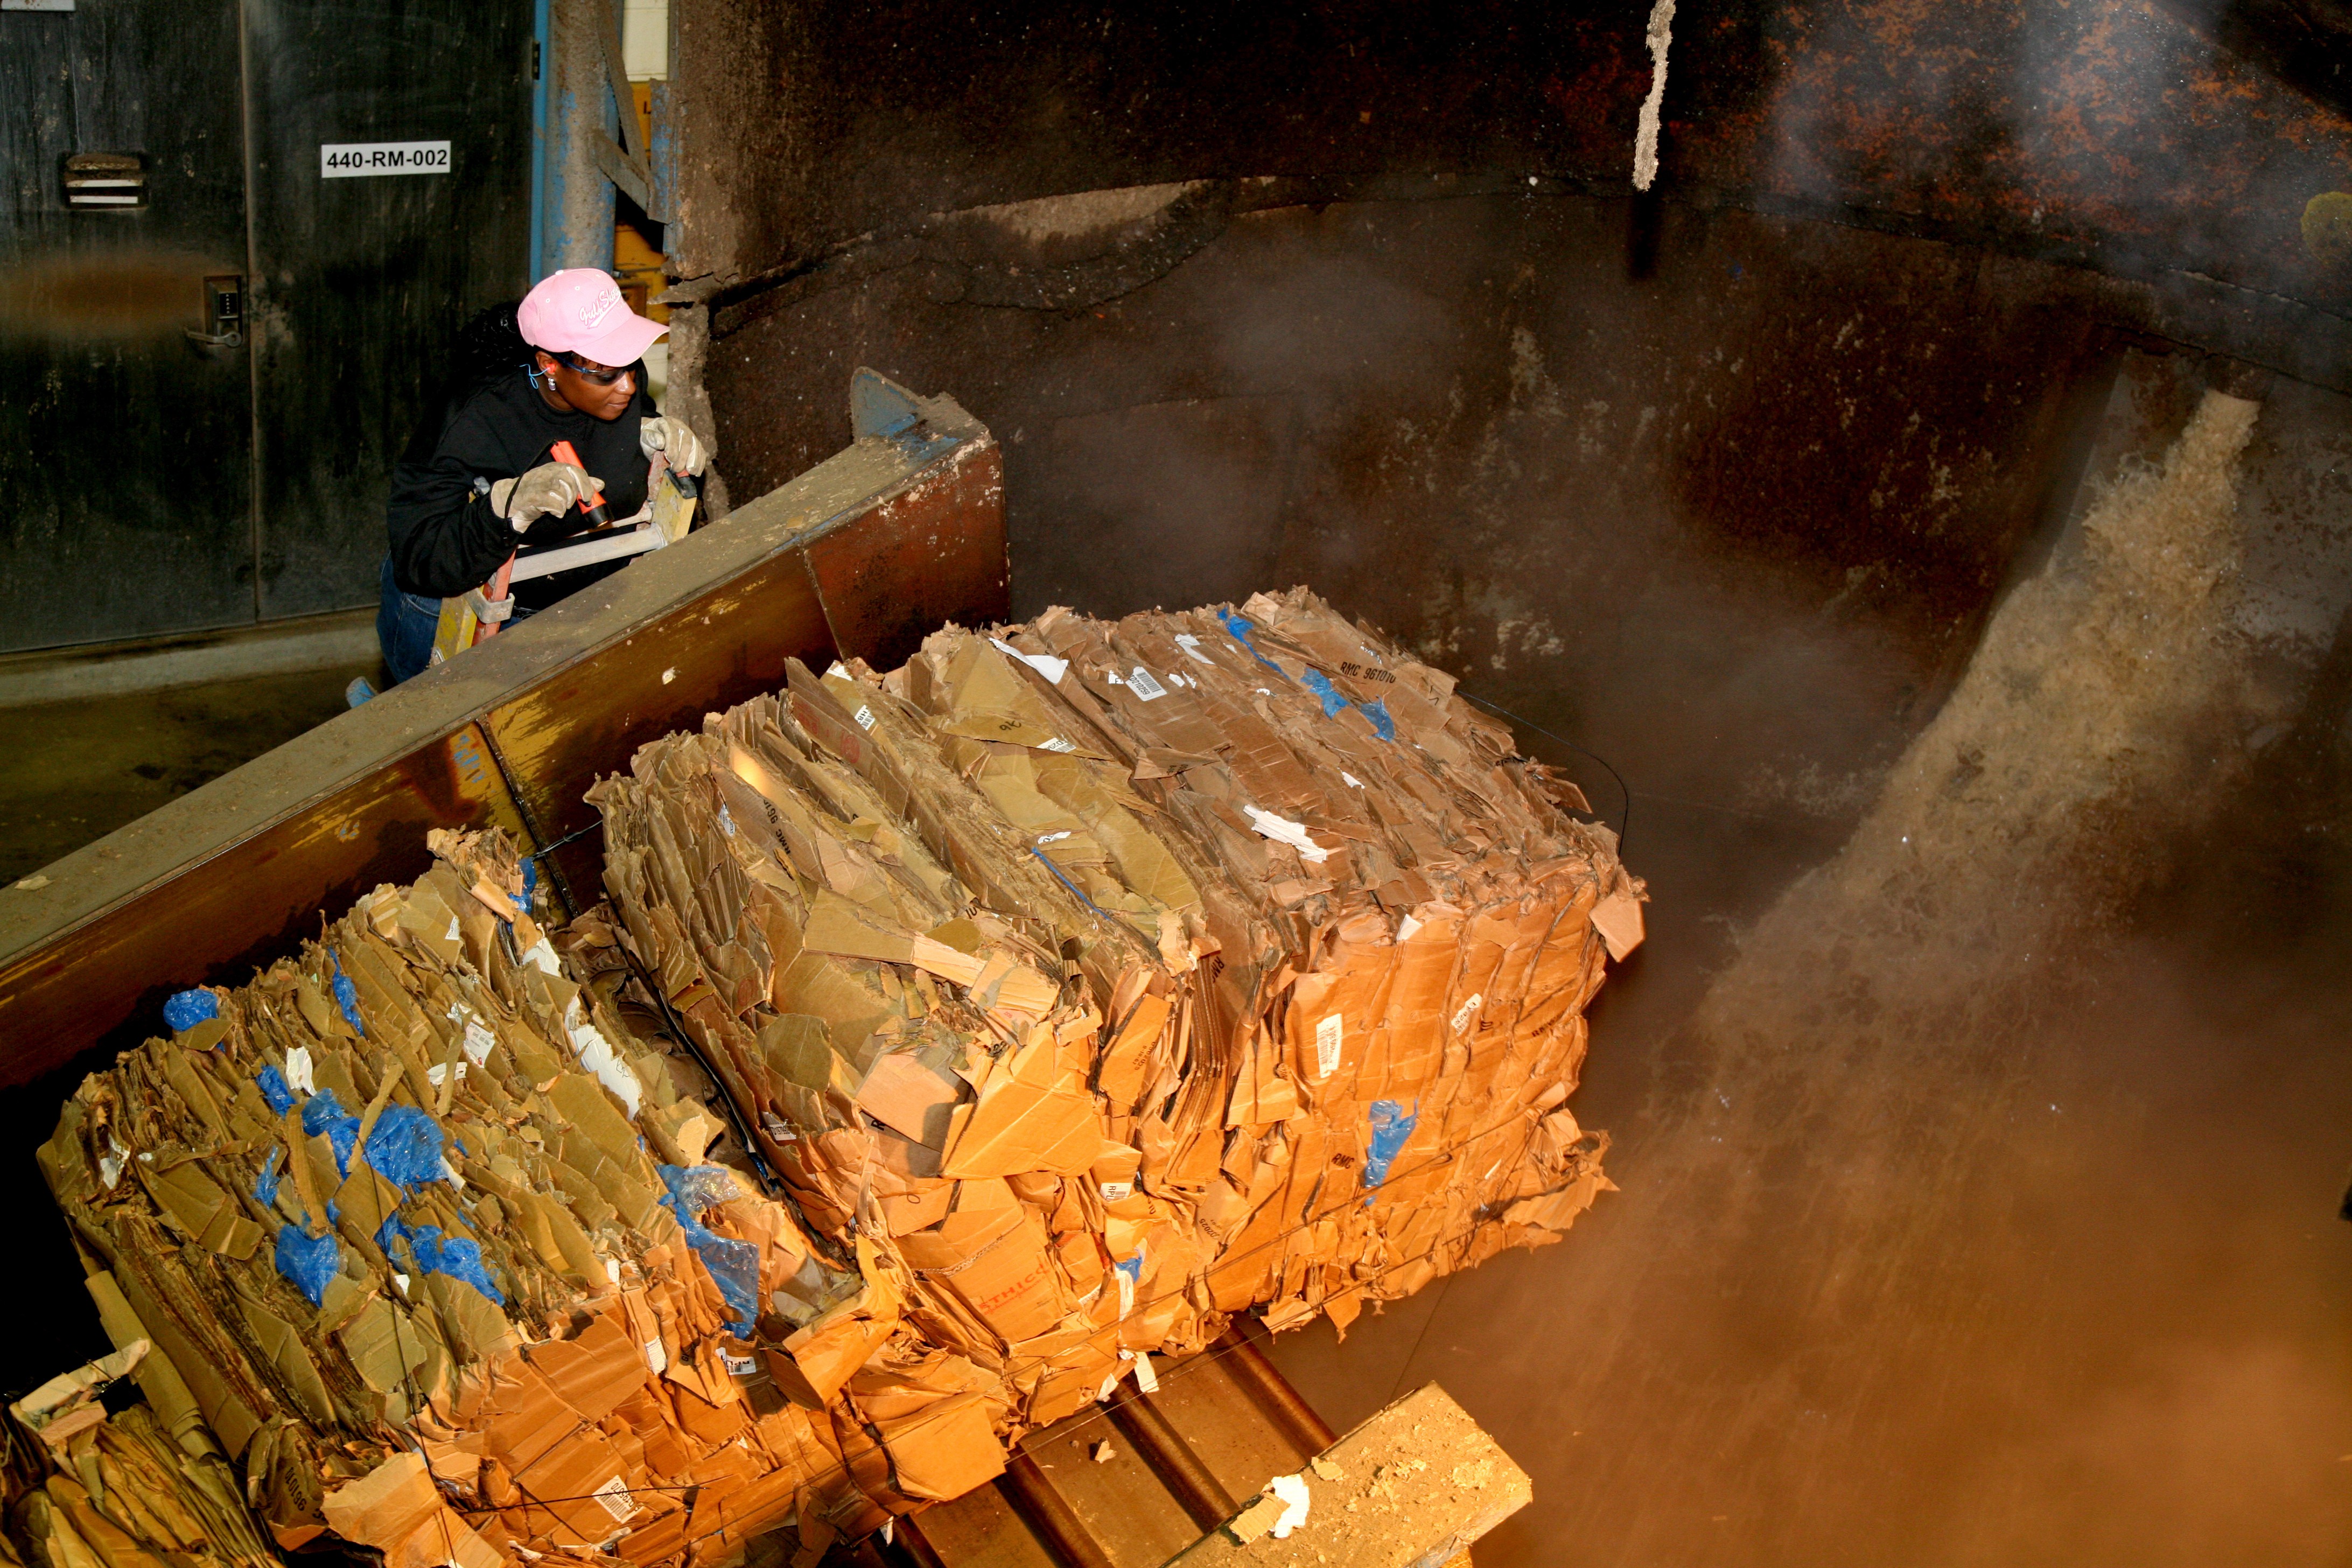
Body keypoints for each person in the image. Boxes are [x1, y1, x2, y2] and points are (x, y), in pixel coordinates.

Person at [366, 268, 713, 691]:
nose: (626, 385)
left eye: (629, 365)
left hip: (571, 605)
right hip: (455, 607)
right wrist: (501, 512)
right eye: (606, 373)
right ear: (549, 364)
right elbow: (419, 557)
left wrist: (651, 433)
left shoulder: (617, 379)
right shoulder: (474, 418)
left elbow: (626, 407)